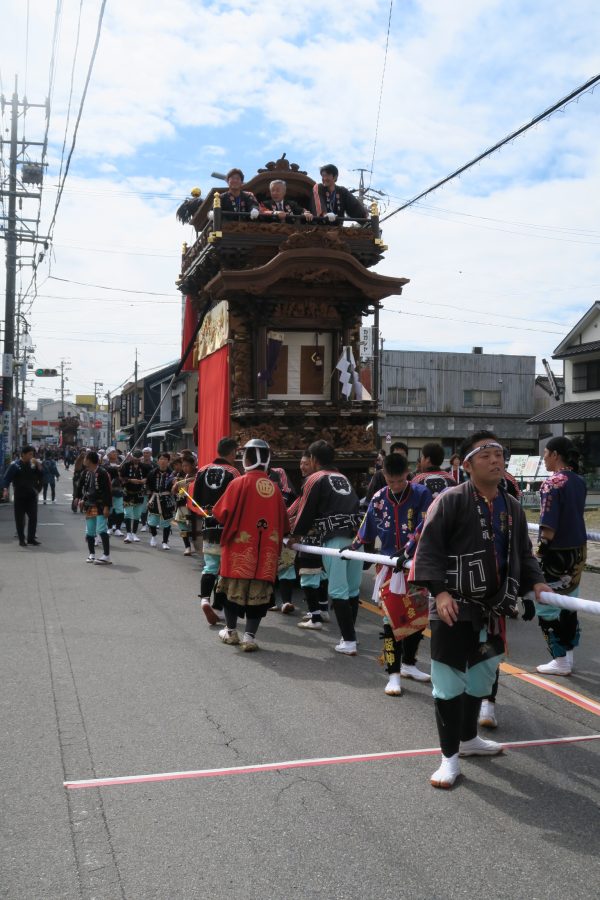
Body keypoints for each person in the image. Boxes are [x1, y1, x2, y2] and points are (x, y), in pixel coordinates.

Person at [411, 431, 550, 788]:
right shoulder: (450, 500)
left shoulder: (513, 508)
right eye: (485, 454)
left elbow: (524, 553)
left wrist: (537, 582)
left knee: (480, 677)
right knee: (447, 682)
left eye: (499, 453)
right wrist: (440, 593)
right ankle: (448, 759)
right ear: (467, 464)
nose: (495, 459)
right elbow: (428, 550)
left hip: (493, 611)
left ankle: (469, 739)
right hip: (453, 608)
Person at [351, 452, 432, 694]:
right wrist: (354, 545)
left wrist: (408, 550)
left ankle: (408, 663)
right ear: (384, 476)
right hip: (388, 566)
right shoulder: (377, 498)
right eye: (391, 481)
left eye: (400, 480)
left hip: (415, 565)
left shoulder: (421, 494)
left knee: (417, 619)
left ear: (408, 474)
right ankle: (392, 673)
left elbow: (425, 524)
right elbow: (366, 527)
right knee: (390, 622)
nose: (395, 486)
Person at [212, 439, 289, 651]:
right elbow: (284, 523)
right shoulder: (274, 488)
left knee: (231, 593)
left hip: (239, 550)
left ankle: (230, 631)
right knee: (259, 597)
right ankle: (249, 637)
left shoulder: (238, 483)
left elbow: (221, 513)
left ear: (247, 459)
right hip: (266, 553)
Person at [290, 440, 362, 655]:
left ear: (313, 459)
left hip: (335, 538)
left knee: (338, 589)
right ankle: (350, 636)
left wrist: (295, 535)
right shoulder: (342, 478)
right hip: (356, 537)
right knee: (352, 589)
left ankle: (349, 641)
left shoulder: (315, 478)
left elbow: (305, 511)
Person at [535, 436, 587, 676]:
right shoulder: (578, 481)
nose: (544, 458)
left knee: (547, 606)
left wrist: (538, 554)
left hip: (557, 552)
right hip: (578, 550)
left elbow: (548, 528)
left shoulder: (552, 483)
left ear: (555, 454)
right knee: (569, 603)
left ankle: (560, 659)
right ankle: (569, 655)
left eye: (546, 453)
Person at [192, 437, 241, 625]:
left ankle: (204, 599)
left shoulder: (202, 471)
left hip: (209, 525)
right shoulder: (234, 472)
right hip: (228, 528)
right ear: (232, 453)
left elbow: (195, 502)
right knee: (224, 570)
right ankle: (218, 607)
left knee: (210, 566)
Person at [76, 450, 113, 565]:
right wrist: (80, 498)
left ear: (90, 460)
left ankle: (106, 556)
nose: (84, 460)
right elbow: (82, 487)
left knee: (101, 529)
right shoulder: (86, 472)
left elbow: (107, 491)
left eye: (86, 458)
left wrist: (107, 506)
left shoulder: (102, 472)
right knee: (90, 531)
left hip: (101, 505)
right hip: (90, 504)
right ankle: (92, 554)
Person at [2, 445, 43, 547]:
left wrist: (38, 489)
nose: (31, 456)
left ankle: (31, 538)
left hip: (31, 496)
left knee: (33, 518)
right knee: (20, 519)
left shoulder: (33, 465)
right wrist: (5, 489)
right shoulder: (15, 465)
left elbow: (41, 476)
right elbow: (6, 479)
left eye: (32, 454)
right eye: (30, 454)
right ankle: (21, 539)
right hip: (20, 496)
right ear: (23, 454)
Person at [146, 452, 176, 549]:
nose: (163, 461)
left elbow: (174, 489)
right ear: (158, 461)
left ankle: (165, 541)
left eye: (165, 459)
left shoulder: (172, 474)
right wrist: (149, 498)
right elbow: (148, 486)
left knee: (166, 522)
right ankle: (154, 536)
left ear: (168, 461)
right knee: (152, 521)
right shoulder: (152, 473)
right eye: (161, 459)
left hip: (167, 499)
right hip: (154, 499)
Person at [172, 454, 197, 555]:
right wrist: (176, 485)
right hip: (182, 504)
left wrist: (181, 482)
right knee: (182, 526)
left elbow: (194, 479)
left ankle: (195, 544)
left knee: (194, 527)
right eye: (183, 466)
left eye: (187, 465)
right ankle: (187, 546)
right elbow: (174, 489)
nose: (185, 468)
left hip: (193, 505)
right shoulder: (180, 475)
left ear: (193, 465)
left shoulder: (197, 474)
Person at [120, 450, 147, 543]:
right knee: (127, 513)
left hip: (139, 493)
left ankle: (134, 533)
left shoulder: (144, 466)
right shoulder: (126, 465)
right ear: (132, 457)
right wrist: (130, 480)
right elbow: (122, 477)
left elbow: (149, 476)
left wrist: (144, 480)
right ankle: (128, 534)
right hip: (128, 492)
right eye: (135, 458)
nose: (137, 460)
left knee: (137, 515)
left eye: (138, 459)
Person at [103, 448, 125, 535]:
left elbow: (124, 476)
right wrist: (116, 468)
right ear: (108, 455)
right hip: (108, 491)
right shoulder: (105, 465)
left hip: (118, 490)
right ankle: (109, 527)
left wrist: (121, 470)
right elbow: (109, 470)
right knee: (110, 509)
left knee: (119, 510)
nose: (115, 453)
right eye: (112, 452)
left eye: (115, 452)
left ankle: (118, 528)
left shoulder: (121, 464)